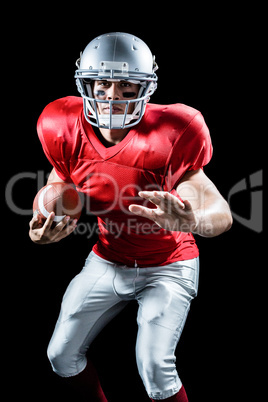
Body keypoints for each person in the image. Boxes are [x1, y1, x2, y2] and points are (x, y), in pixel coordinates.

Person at [29, 32, 232, 401]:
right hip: (108, 258)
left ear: (146, 87)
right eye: (102, 84)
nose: (111, 97)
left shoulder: (175, 130)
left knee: (155, 368)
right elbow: (62, 182)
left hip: (168, 264)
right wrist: (51, 221)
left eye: (126, 85)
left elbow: (220, 212)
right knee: (59, 356)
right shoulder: (61, 124)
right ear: (85, 83)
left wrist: (192, 221)